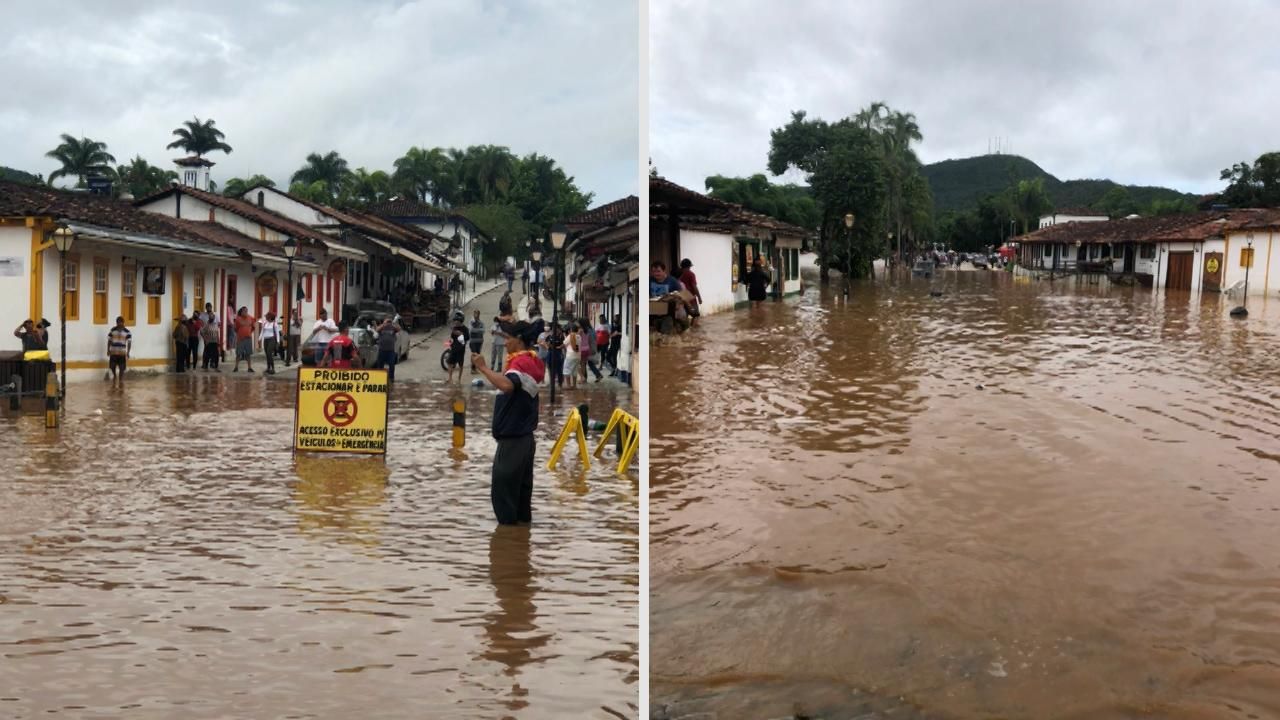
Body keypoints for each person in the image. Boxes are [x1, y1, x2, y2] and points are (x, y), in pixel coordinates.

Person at [470, 319, 545, 525]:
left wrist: (484, 368)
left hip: (514, 441)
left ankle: (507, 548)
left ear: (519, 341)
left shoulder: (521, 363)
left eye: (508, 338)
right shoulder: (532, 361)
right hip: (524, 440)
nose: (505, 343)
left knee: (503, 497)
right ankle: (519, 547)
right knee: (520, 499)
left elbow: (508, 386)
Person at [371, 317, 399, 382]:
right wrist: (384, 324)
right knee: (380, 365)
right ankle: (380, 378)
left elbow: (399, 329)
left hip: (391, 351)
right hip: (382, 350)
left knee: (392, 365)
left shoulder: (393, 328)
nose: (388, 323)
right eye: (387, 322)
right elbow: (377, 329)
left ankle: (391, 378)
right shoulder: (381, 328)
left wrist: (393, 323)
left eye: (389, 322)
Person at [106, 316, 131, 386]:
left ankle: (120, 380)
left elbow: (129, 342)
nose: (119, 325)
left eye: (121, 323)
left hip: (122, 353)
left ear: (123, 323)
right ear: (116, 323)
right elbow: (109, 340)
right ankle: (114, 378)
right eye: (118, 323)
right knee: (112, 367)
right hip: (113, 353)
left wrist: (128, 352)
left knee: (122, 369)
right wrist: (108, 350)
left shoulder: (127, 332)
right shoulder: (112, 330)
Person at [446, 313, 470, 383]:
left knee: (460, 365)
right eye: (455, 321)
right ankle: (450, 378)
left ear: (460, 321)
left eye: (457, 321)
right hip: (454, 348)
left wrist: (459, 334)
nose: (455, 322)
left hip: (461, 349)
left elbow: (467, 338)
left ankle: (459, 379)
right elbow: (452, 336)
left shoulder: (465, 329)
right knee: (450, 363)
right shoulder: (455, 328)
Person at [232, 306, 257, 373]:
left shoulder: (250, 318)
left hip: (248, 338)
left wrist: (248, 332)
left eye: (246, 310)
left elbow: (253, 327)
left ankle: (249, 367)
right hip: (240, 338)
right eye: (244, 311)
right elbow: (235, 328)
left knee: (248, 354)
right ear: (241, 311)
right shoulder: (238, 319)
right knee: (238, 353)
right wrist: (240, 333)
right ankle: (236, 367)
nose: (246, 312)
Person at [581, 316, 603, 382]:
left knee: (583, 363)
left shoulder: (586, 331)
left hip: (588, 348)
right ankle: (598, 375)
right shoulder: (592, 329)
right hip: (593, 347)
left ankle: (585, 378)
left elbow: (587, 340)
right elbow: (596, 338)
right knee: (590, 363)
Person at [563, 322, 580, 390]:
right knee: (574, 371)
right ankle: (574, 385)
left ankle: (568, 385)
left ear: (570, 329)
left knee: (567, 370)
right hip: (578, 355)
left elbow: (564, 343)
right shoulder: (579, 336)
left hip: (570, 355)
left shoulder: (570, 336)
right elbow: (577, 346)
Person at [468, 310, 486, 374]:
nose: (476, 315)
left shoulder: (481, 322)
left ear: (479, 314)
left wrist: (476, 330)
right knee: (474, 354)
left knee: (477, 354)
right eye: (475, 313)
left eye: (477, 314)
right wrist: (479, 330)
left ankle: (475, 368)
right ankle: (472, 369)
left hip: (479, 340)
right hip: (473, 340)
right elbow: (471, 330)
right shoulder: (471, 322)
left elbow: (483, 330)